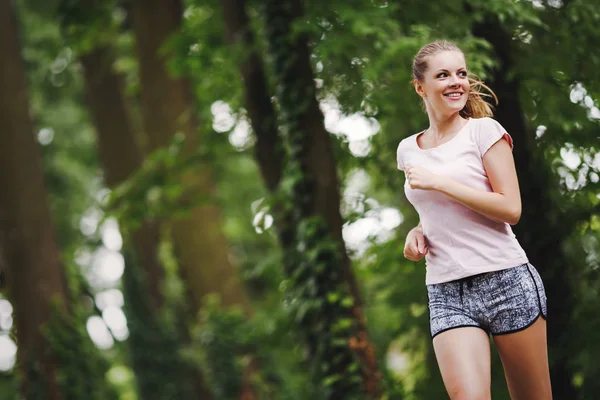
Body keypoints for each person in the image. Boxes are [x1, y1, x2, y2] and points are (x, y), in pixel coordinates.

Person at [396, 40, 552, 400]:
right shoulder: (408, 149)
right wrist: (416, 232)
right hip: (446, 290)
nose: (457, 81)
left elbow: (510, 208)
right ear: (420, 87)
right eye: (443, 75)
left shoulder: (484, 131)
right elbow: (435, 212)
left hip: (506, 280)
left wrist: (441, 182)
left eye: (461, 73)